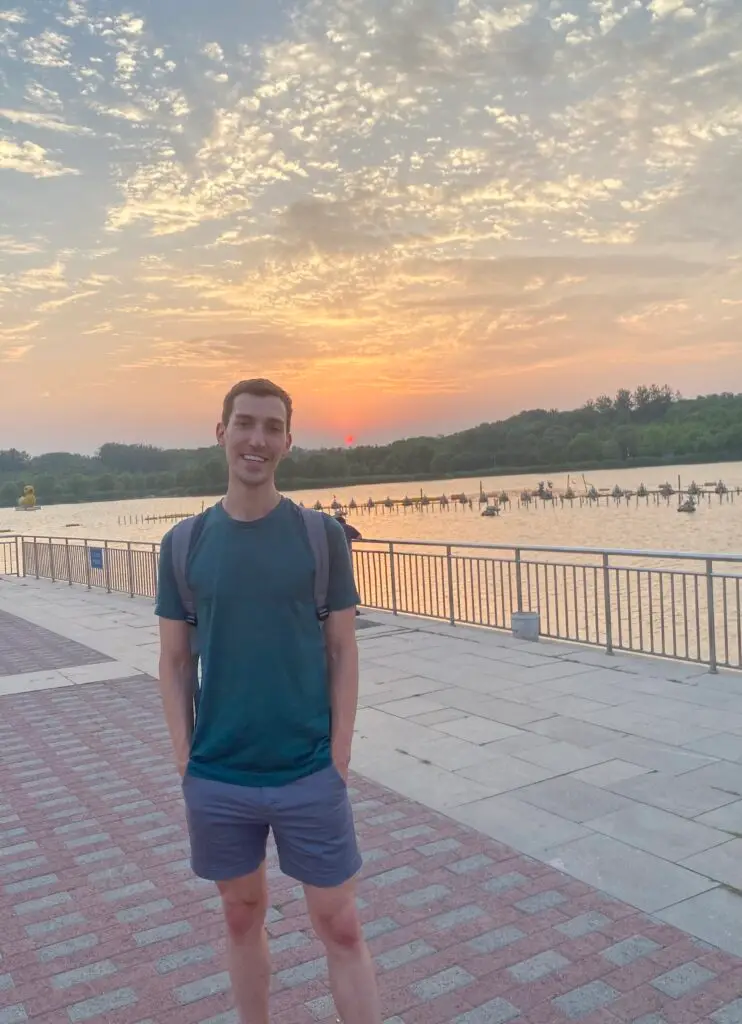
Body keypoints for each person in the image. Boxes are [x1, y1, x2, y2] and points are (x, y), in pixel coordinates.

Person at [155, 378, 381, 1024]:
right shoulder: (184, 545)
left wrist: (338, 753)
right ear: (221, 431)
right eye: (245, 423)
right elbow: (173, 661)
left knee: (339, 924)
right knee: (239, 915)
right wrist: (184, 757)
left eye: (272, 427)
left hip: (308, 768)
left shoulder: (320, 538)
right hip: (221, 772)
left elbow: (342, 650)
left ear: (287, 440)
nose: (258, 439)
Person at [334, 514, 362, 615]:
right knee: (348, 585)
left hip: (331, 561)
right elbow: (359, 537)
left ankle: (336, 608)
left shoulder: (331, 528)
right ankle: (352, 609)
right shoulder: (348, 528)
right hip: (346, 561)